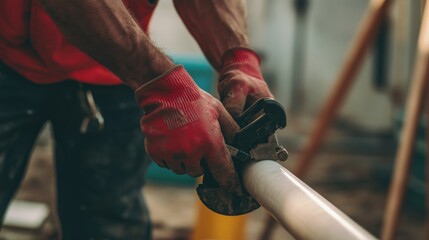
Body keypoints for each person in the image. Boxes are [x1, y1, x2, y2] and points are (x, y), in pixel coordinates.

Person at [0, 0, 274, 239]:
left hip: (113, 63)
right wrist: (162, 86)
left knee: (111, 220)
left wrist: (237, 58)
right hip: (6, 53)